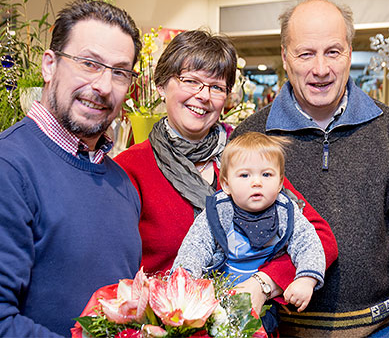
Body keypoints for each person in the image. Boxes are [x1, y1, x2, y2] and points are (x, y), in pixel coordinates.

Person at [230, 0, 389, 337]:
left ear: (350, 53)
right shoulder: (250, 138)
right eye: (306, 53)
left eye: (333, 51)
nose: (321, 68)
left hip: (382, 331)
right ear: (285, 57)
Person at [0, 0, 142, 337]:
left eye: (119, 72)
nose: (104, 86)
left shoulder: (120, 182)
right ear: (49, 66)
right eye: (89, 64)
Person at [113, 29, 338, 332]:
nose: (203, 96)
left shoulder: (247, 157)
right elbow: (116, 272)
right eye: (190, 81)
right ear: (162, 85)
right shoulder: (130, 168)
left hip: (250, 328)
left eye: (216, 87)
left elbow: (319, 237)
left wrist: (263, 283)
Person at [174, 132, 325, 312]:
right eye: (245, 175)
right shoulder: (219, 211)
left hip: (266, 304)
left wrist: (306, 279)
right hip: (217, 300)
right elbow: (195, 247)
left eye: (266, 174)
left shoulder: (285, 210)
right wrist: (183, 281)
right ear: (226, 184)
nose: (256, 182)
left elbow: (308, 244)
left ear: (280, 183)